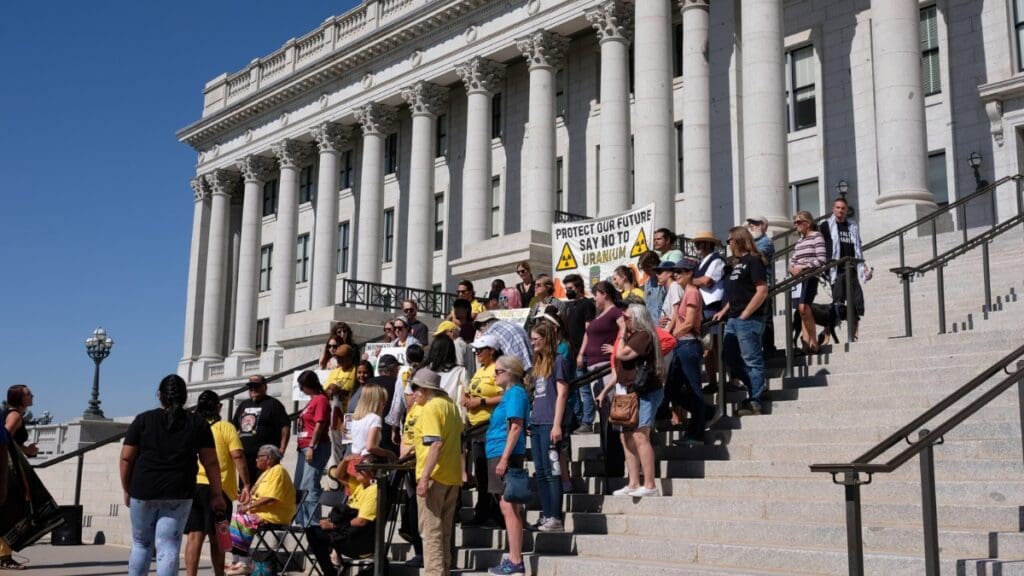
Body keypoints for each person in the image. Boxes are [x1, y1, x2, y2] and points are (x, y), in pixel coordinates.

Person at [120, 375, 225, 576]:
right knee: (168, 546)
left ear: (159, 396)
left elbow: (126, 458)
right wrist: (217, 494)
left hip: (143, 489)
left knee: (141, 544)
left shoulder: (143, 420)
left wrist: (127, 488)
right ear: (185, 397)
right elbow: (210, 462)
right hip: (179, 490)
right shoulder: (198, 423)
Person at [595, 303, 664, 497]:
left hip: (645, 392)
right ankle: (633, 482)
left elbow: (621, 354)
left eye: (626, 317)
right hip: (627, 392)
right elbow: (619, 368)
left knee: (641, 435)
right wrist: (607, 391)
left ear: (637, 318)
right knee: (625, 437)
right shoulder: (632, 337)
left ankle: (649, 484)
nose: (623, 321)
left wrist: (623, 332)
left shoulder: (643, 335)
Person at [185, 391, 251, 576]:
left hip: (194, 487)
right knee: (218, 536)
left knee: (194, 535)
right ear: (219, 408)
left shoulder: (192, 426)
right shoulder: (225, 427)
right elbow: (237, 455)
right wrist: (246, 484)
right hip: (218, 489)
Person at [411, 369, 464, 576]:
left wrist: (424, 478)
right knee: (444, 532)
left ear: (425, 390)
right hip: (452, 476)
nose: (413, 393)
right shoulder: (451, 406)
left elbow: (435, 444)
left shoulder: (431, 408)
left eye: (416, 388)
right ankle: (444, 572)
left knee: (430, 532)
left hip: (434, 476)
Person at [713, 227, 769, 416]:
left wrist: (745, 313)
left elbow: (761, 290)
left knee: (752, 359)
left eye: (729, 241)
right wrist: (724, 310)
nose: (728, 245)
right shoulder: (735, 265)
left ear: (738, 240)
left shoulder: (754, 261)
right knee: (728, 356)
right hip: (733, 318)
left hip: (749, 319)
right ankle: (756, 387)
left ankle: (755, 400)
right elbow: (735, 293)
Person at [484, 357, 530, 576]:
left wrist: (503, 458)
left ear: (510, 372)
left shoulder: (515, 393)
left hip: (506, 454)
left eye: (498, 371)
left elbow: (516, 426)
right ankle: (514, 559)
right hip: (499, 452)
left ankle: (515, 561)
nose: (495, 375)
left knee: (509, 507)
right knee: (507, 507)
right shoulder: (510, 394)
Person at [578, 281, 626, 480]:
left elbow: (624, 330)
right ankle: (609, 457)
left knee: (612, 415)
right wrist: (581, 354)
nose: (594, 299)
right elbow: (588, 335)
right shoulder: (599, 315)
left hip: (606, 367)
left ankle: (616, 462)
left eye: (596, 295)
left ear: (604, 294)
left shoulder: (616, 312)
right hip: (593, 368)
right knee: (603, 414)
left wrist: (616, 348)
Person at [225, 445, 296, 575]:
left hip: (275, 515)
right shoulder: (266, 473)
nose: (256, 459)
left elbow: (271, 498)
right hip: (262, 513)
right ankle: (236, 562)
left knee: (242, 519)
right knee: (234, 517)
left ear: (269, 459)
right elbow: (256, 496)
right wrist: (243, 499)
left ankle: (244, 562)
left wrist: (248, 507)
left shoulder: (278, 471)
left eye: (259, 457)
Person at [528, 321, 571, 532]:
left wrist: (557, 424)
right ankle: (546, 514)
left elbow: (562, 393)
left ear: (546, 339)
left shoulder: (559, 361)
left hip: (549, 423)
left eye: (536, 339)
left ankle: (555, 516)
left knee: (552, 472)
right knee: (541, 471)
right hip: (536, 422)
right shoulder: (538, 365)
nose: (533, 343)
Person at [666, 258, 712, 444]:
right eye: (675, 271)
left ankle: (697, 433)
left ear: (690, 273)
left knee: (693, 389)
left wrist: (671, 336)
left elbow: (689, 323)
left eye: (681, 271)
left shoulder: (692, 293)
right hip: (681, 345)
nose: (676, 274)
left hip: (688, 344)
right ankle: (706, 411)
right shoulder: (687, 292)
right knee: (671, 390)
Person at [462, 334, 504, 528]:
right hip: (476, 427)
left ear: (492, 351)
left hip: (490, 426)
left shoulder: (498, 368)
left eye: (480, 350)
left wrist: (481, 402)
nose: (477, 353)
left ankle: (497, 512)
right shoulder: (481, 370)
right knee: (480, 472)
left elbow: (504, 395)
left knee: (492, 472)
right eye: (476, 350)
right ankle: (482, 510)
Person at [304, 463, 378, 574]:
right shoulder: (360, 487)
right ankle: (331, 569)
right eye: (357, 467)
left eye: (361, 468)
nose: (357, 470)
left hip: (358, 539)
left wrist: (334, 526)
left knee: (315, 535)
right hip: (347, 532)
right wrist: (346, 459)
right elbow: (337, 475)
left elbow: (361, 521)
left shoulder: (373, 491)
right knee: (313, 531)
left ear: (372, 473)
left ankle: (330, 571)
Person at [822, 197, 869, 339]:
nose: (840, 211)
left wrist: (863, 264)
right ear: (833, 209)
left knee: (856, 300)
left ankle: (853, 333)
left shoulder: (852, 226)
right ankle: (828, 329)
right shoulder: (826, 226)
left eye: (843, 208)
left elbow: (858, 247)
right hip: (836, 268)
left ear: (846, 210)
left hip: (851, 267)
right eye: (837, 207)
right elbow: (820, 244)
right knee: (838, 300)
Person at [1, 385, 37, 569]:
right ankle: (4, 557)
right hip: (8, 469)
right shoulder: (15, 416)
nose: (32, 396)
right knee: (9, 511)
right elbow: (4, 439)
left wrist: (25, 450)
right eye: (29, 394)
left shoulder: (11, 413)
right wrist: (26, 450)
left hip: (8, 466)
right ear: (20, 398)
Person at [232, 375, 290, 485]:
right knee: (246, 489)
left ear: (265, 387)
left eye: (256, 386)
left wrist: (282, 448)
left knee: (264, 488)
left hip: (265, 457)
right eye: (250, 387)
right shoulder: (243, 405)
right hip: (245, 456)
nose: (253, 389)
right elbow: (234, 426)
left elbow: (285, 426)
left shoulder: (273, 404)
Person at [294, 370, 331, 528]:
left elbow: (320, 424)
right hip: (304, 447)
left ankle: (313, 522)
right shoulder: (312, 401)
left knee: (310, 484)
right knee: (301, 485)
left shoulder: (321, 400)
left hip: (315, 446)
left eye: (302, 387)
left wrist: (311, 446)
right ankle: (303, 520)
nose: (302, 390)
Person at [562, 274, 597, 434]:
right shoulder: (570, 306)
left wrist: (581, 353)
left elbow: (588, 330)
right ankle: (577, 419)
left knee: (584, 389)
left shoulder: (587, 304)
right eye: (566, 288)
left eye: (570, 288)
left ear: (578, 287)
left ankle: (587, 421)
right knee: (572, 389)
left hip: (582, 353)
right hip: (571, 353)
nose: (567, 291)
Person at [790, 210, 827, 353]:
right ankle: (806, 344)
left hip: (810, 276)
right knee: (802, 311)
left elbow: (822, 259)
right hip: (798, 279)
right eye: (795, 222)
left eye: (798, 222)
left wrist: (804, 267)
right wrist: (791, 268)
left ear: (808, 223)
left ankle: (814, 342)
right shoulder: (799, 241)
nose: (796, 225)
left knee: (803, 308)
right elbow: (792, 260)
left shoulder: (817, 237)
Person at [345, 385, 397, 476]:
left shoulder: (355, 418)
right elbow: (370, 447)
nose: (384, 405)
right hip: (367, 464)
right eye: (383, 402)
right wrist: (388, 453)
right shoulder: (375, 418)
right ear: (376, 402)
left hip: (354, 462)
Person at [747, 216, 777, 354]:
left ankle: (769, 348)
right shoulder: (750, 243)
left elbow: (754, 258)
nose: (751, 225)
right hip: (751, 287)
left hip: (763, 286)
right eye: (750, 223)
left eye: (755, 223)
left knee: (765, 319)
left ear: (764, 226)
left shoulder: (766, 242)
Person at [325, 344, 358, 464]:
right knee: (337, 447)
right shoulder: (335, 372)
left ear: (349, 357)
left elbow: (357, 391)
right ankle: (338, 476)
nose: (338, 360)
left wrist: (340, 391)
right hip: (336, 417)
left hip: (350, 416)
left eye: (341, 357)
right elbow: (326, 390)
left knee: (349, 447)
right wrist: (331, 390)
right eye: (337, 357)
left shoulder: (355, 371)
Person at [639, 251, 665, 324]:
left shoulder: (666, 279)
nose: (645, 271)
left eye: (645, 268)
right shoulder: (648, 282)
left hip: (664, 326)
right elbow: (646, 305)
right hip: (651, 325)